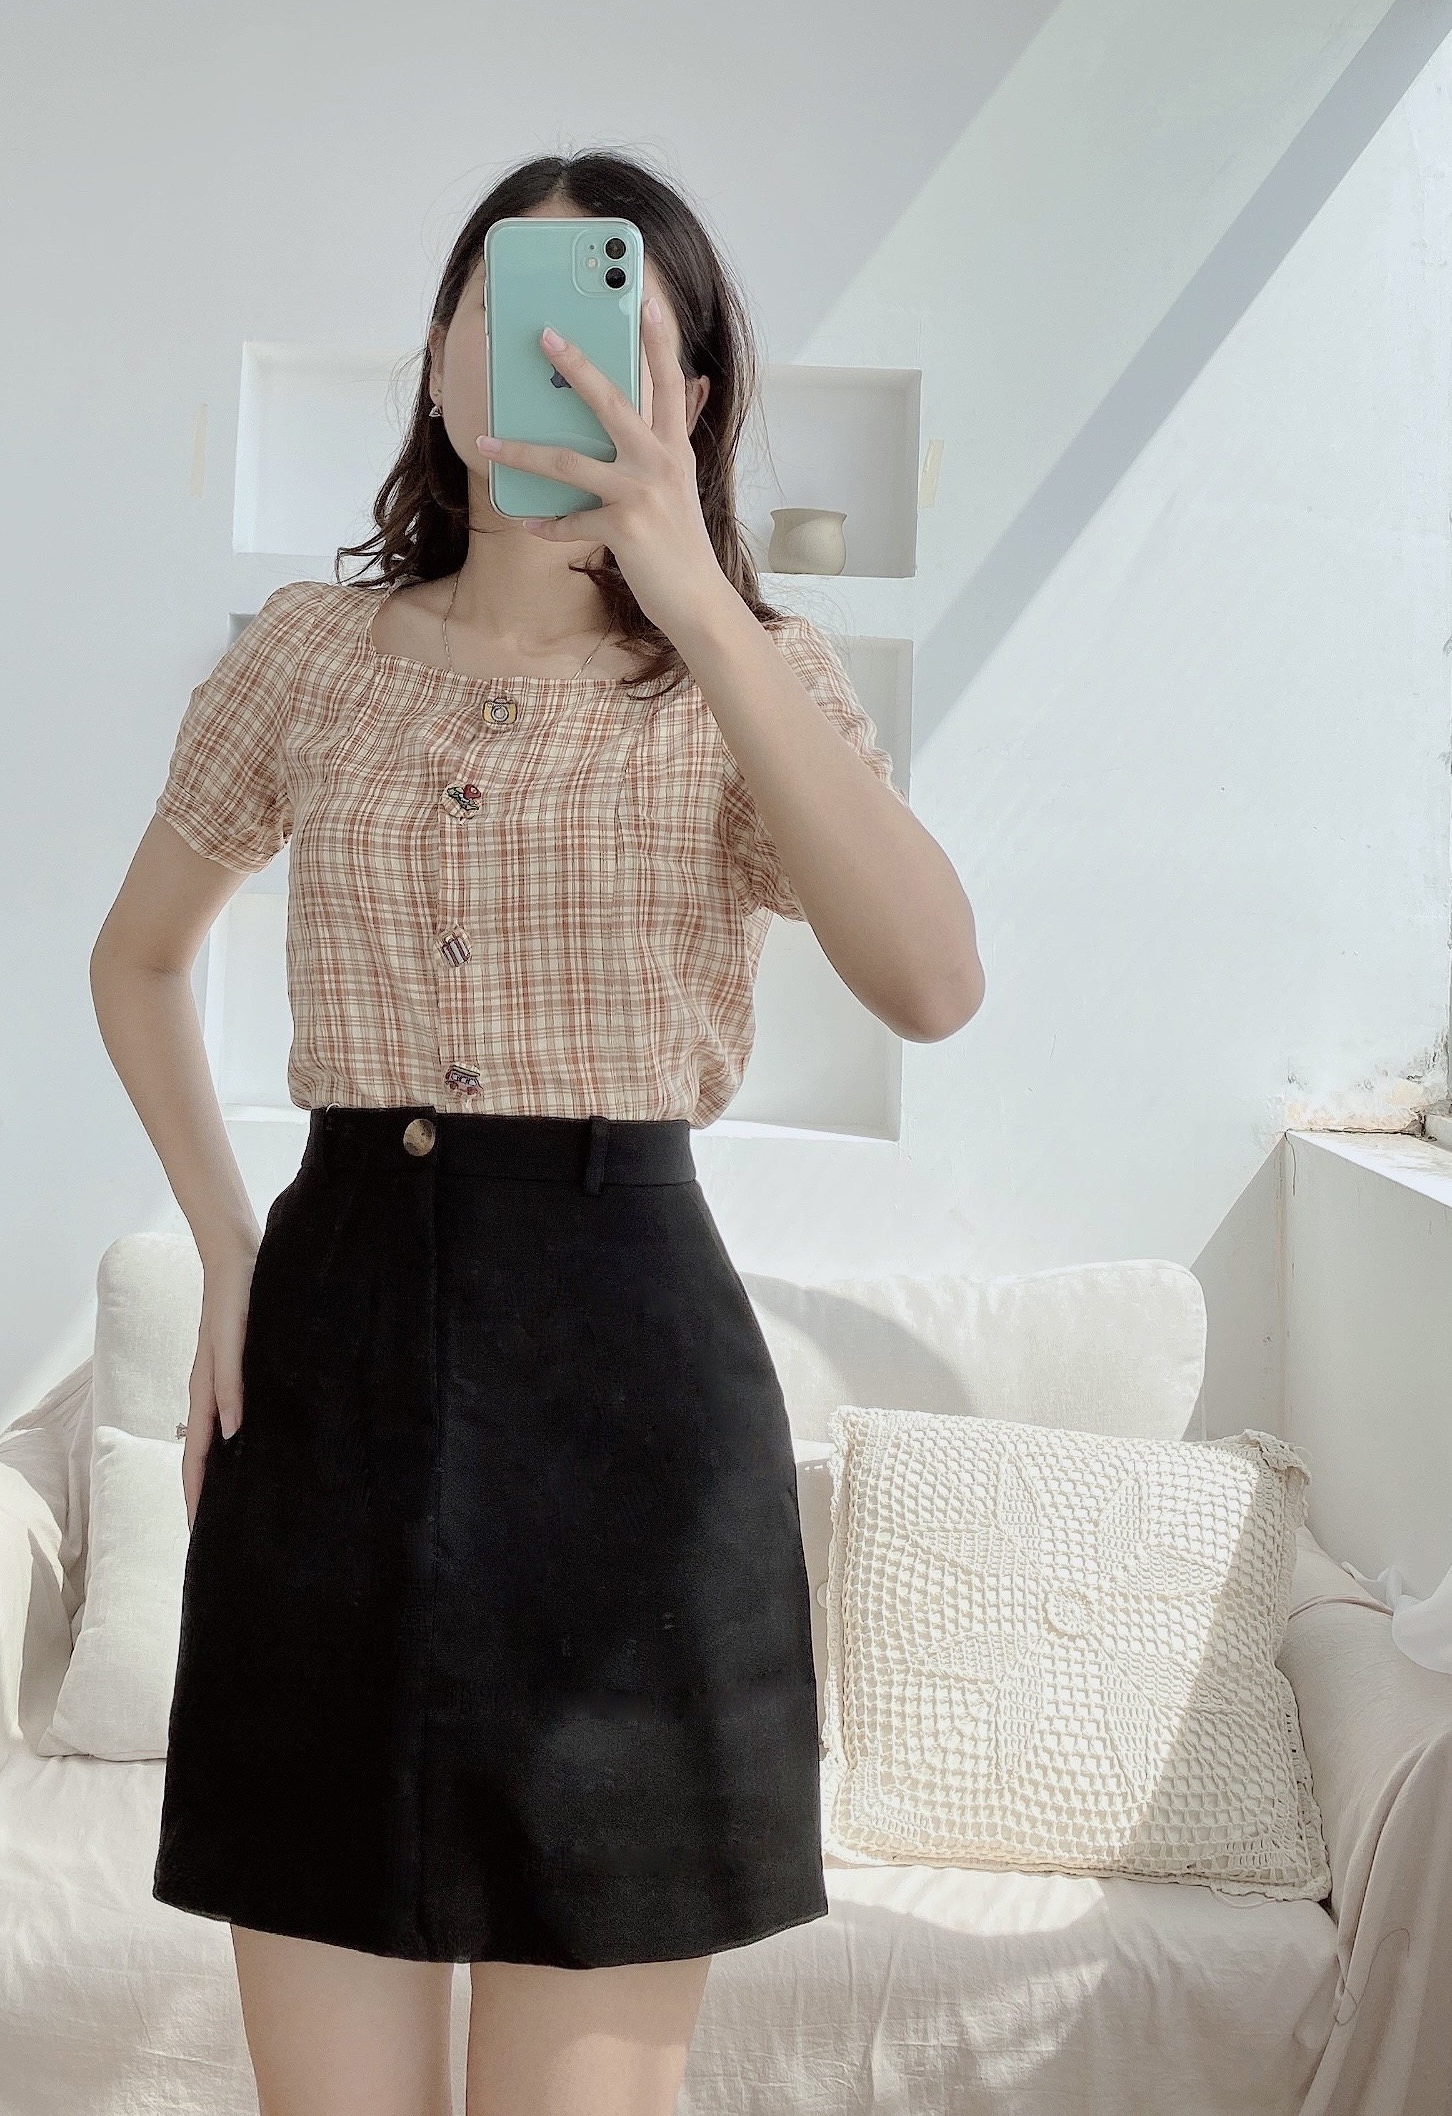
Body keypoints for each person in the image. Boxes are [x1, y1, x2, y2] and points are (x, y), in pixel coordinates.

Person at [90, 147, 983, 2116]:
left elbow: (932, 980)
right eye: (505, 311)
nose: (547, 361)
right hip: (331, 1369)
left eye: (610, 331)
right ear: (438, 354)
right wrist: (233, 1249)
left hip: (632, 1407)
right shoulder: (308, 655)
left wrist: (698, 600)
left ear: (689, 398)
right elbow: (135, 961)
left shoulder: (751, 680)